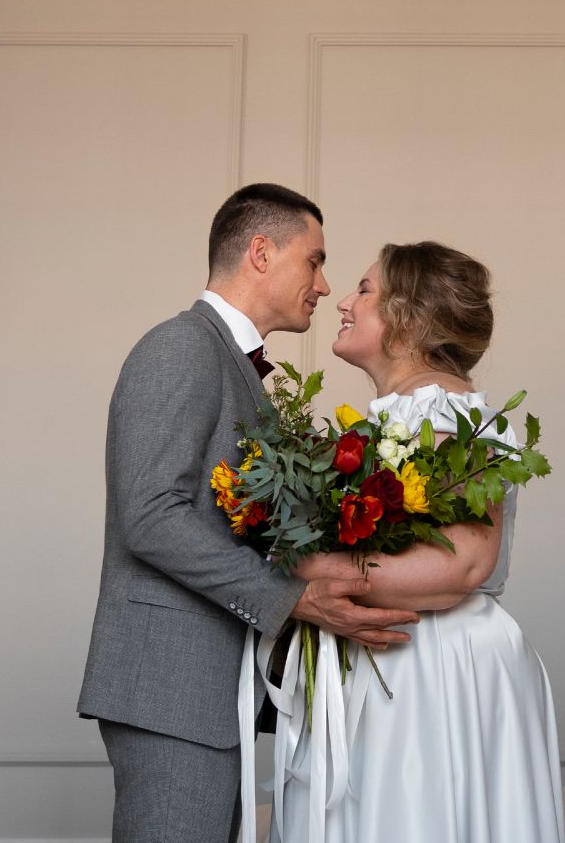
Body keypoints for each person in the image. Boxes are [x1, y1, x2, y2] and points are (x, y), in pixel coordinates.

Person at [77, 183, 416, 842]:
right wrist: (292, 597)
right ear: (261, 252)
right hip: (169, 688)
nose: (324, 285)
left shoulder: (229, 361)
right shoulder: (180, 346)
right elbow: (150, 515)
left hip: (206, 690)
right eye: (314, 261)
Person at [281, 241, 565, 841]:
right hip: (393, 651)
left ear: (407, 316)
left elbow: (463, 565)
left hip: (431, 667)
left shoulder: (449, 414)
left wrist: (299, 566)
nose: (343, 301)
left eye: (365, 289)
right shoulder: (394, 416)